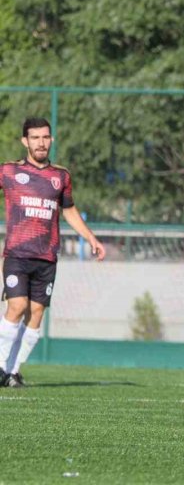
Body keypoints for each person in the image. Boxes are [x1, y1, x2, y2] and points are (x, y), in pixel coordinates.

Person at [0, 117, 106, 386]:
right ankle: (0, 365)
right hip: (17, 254)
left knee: (36, 313)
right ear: (25, 141)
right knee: (17, 306)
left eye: (45, 137)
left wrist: (90, 237)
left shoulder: (61, 176)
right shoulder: (9, 171)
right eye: (35, 138)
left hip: (46, 257)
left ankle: (12, 372)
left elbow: (68, 210)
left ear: (52, 140)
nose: (41, 143)